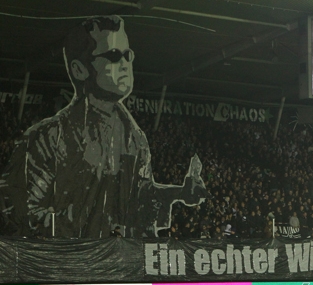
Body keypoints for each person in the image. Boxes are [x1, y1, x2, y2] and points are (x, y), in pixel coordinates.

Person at [0, 16, 208, 238]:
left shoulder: (135, 138)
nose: (125, 64)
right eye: (113, 56)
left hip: (114, 264)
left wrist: (179, 193)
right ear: (79, 69)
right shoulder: (47, 138)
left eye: (128, 55)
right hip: (68, 264)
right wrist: (72, 232)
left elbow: (138, 195)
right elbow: (18, 207)